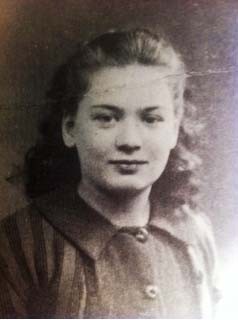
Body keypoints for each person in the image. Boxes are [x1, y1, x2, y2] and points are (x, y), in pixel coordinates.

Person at [0, 28, 220, 318]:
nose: (130, 140)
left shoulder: (194, 233)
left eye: (151, 118)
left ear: (174, 130)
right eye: (106, 118)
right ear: (70, 128)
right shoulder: (18, 246)